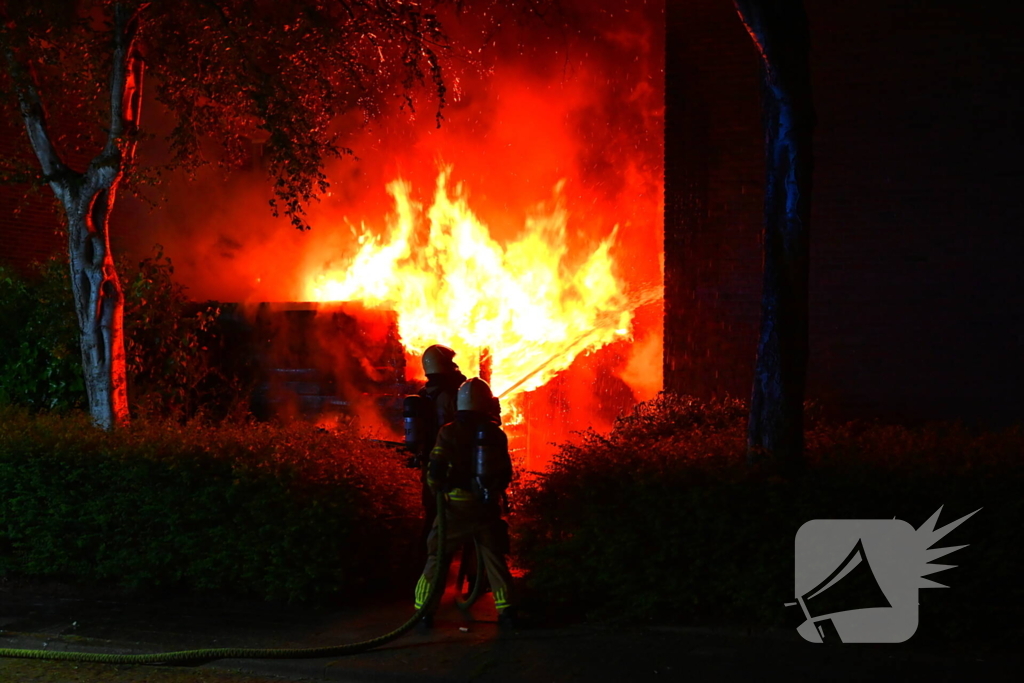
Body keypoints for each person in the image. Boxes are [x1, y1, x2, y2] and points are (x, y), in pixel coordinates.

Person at [413, 377, 518, 628]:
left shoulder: (448, 431)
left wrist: (437, 491)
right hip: (485, 507)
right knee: (494, 558)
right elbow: (505, 472)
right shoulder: (495, 434)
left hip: (454, 508)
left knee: (437, 557)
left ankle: (424, 612)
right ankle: (507, 611)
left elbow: (435, 471)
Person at [407, 345, 467, 542]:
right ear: (444, 365)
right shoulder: (452, 396)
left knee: (432, 513)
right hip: (451, 462)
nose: (455, 367)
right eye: (451, 363)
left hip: (429, 463)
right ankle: (436, 555)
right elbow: (465, 428)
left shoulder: (424, 394)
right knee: (449, 515)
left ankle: (427, 554)